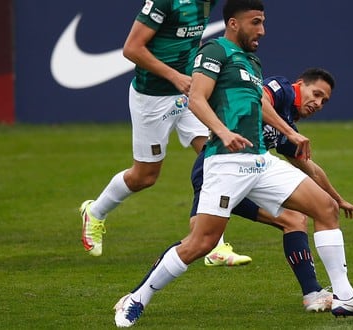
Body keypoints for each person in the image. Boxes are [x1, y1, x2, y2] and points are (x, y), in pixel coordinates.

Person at [113, 1, 353, 327]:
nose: (262, 30)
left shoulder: (252, 61)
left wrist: (289, 133)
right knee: (201, 243)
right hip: (225, 163)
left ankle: (344, 297)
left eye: (263, 23)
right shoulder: (215, 51)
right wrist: (222, 131)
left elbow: (258, 104)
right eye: (256, 22)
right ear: (234, 23)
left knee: (324, 209)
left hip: (260, 161)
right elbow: (196, 98)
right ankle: (136, 298)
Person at [79, 0, 250, 266]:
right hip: (153, 96)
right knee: (145, 176)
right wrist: (174, 76)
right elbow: (132, 48)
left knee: (214, 157)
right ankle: (95, 211)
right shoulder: (165, 2)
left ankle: (214, 245)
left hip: (190, 92)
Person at [190, 68, 353, 312]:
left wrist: (338, 200)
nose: (319, 103)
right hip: (216, 174)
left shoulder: (286, 126)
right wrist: (288, 131)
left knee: (293, 219)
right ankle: (138, 295)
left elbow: (311, 169)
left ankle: (312, 293)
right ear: (300, 84)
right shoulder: (281, 89)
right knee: (197, 244)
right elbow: (259, 98)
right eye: (316, 94)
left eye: (324, 101)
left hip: (245, 178)